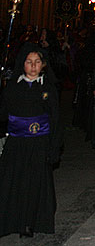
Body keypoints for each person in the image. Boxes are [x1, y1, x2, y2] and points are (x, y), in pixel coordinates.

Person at [0, 44, 61, 238]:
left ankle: (29, 222)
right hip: (17, 144)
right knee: (13, 182)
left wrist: (54, 147)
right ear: (22, 64)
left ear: (43, 65)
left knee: (33, 184)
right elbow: (3, 114)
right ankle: (10, 221)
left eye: (37, 62)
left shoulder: (48, 88)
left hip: (38, 143)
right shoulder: (12, 87)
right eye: (29, 62)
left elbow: (55, 119)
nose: (33, 66)